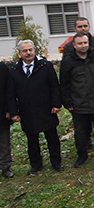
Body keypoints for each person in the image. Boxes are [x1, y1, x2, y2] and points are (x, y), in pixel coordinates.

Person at [7, 40, 63, 176]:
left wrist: (56, 104)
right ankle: (36, 165)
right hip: (27, 111)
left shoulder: (45, 66)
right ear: (19, 53)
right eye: (25, 51)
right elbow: (10, 93)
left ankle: (56, 163)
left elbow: (54, 86)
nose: (28, 53)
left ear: (34, 50)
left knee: (52, 138)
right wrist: (14, 112)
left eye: (30, 50)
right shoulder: (14, 70)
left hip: (46, 108)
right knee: (32, 140)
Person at [61, 33, 94, 167]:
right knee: (80, 132)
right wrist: (67, 103)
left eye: (85, 43)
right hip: (78, 103)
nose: (83, 46)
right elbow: (64, 84)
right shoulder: (68, 61)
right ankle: (82, 156)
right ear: (74, 45)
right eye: (80, 43)